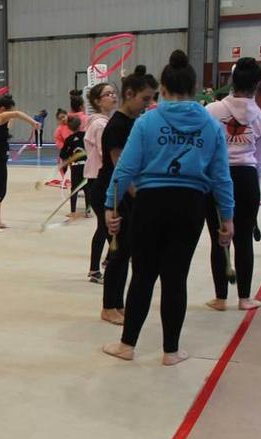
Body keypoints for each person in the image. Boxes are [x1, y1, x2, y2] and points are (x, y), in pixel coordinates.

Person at [102, 50, 235, 366]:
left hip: (151, 204)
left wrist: (111, 205)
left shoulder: (148, 122)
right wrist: (226, 217)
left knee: (143, 275)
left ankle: (127, 345)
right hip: (189, 206)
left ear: (162, 88)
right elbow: (221, 177)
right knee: (176, 278)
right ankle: (171, 351)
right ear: (194, 88)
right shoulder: (211, 126)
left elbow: (125, 169)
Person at [205, 57, 261, 311]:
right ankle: (245, 298)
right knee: (243, 238)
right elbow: (260, 160)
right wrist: (255, 189)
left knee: (217, 238)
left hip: (216, 177)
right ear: (258, 84)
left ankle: (220, 298)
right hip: (246, 178)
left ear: (232, 81)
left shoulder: (211, 111)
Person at [94, 66, 158, 325]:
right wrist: (142, 197)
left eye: (152, 98)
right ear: (129, 94)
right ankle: (109, 306)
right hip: (115, 192)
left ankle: (118, 303)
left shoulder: (135, 122)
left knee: (127, 250)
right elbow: (122, 169)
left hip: (127, 194)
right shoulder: (117, 126)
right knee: (118, 251)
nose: (149, 104)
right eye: (145, 98)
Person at [0, 94, 40, 232]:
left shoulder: (2, 122)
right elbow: (16, 114)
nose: (11, 114)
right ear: (3, 109)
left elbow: (12, 118)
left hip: (1, 158)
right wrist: (33, 122)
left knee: (1, 189)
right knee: (0, 191)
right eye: (9, 111)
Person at [84, 82, 118, 283]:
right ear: (97, 101)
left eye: (114, 93)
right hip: (100, 179)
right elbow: (104, 153)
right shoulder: (100, 125)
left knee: (108, 226)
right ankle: (95, 270)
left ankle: (109, 259)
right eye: (107, 94)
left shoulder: (103, 122)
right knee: (104, 226)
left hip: (101, 178)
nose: (113, 96)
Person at [58, 116, 87, 219]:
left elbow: (63, 154)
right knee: (87, 188)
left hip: (75, 166)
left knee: (74, 189)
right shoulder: (86, 136)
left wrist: (69, 158)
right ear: (80, 125)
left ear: (69, 128)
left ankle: (73, 212)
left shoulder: (69, 139)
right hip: (86, 166)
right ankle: (87, 211)